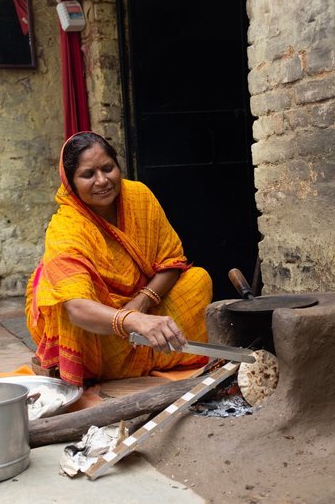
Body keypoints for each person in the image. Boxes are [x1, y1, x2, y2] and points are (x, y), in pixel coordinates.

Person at [26, 131, 212, 386]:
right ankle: (150, 355)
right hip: (97, 326)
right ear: (70, 182)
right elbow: (77, 307)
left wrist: (140, 304)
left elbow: (172, 261)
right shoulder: (66, 227)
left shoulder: (139, 196)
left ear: (118, 165)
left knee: (198, 279)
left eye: (108, 168)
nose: (102, 181)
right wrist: (130, 320)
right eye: (88, 175)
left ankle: (146, 355)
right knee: (63, 310)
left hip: (141, 306)